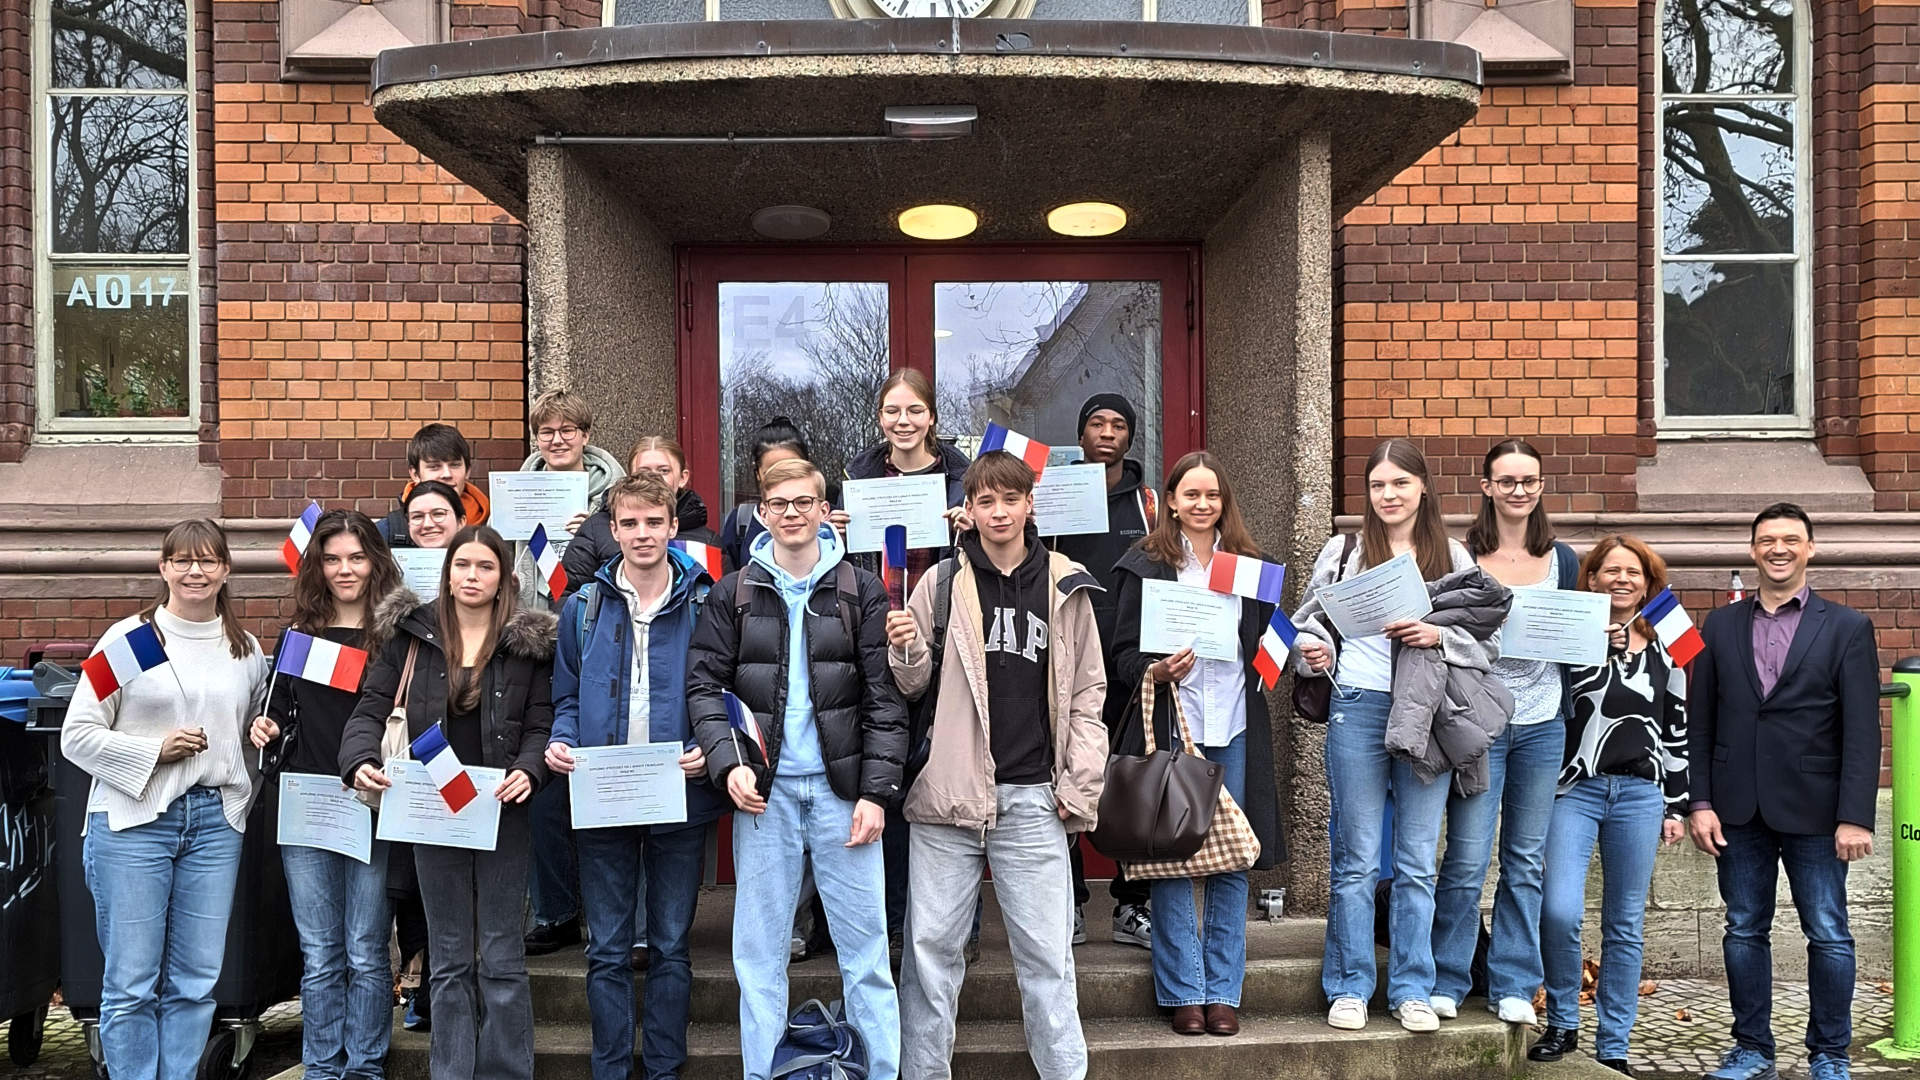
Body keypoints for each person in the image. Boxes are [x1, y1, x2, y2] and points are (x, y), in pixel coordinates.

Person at [887, 450, 1107, 1078]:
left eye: (1011, 499)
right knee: (929, 958)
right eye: (986, 500)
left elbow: (1091, 692)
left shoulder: (1067, 583)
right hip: (948, 798)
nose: (999, 511)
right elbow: (912, 688)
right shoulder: (939, 584)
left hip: (1035, 798)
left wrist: (1080, 782)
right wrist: (904, 652)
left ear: (1030, 504)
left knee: (1048, 960)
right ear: (969, 510)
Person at [687, 457, 906, 1080]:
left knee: (865, 954)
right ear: (762, 511)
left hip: (844, 797)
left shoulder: (858, 589)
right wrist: (728, 762)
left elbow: (885, 700)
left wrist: (877, 794)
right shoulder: (734, 591)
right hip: (765, 796)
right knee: (758, 954)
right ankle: (764, 1073)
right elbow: (704, 687)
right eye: (778, 503)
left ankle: (880, 1071)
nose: (791, 513)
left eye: (803, 502)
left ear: (822, 508)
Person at [1291, 438, 1501, 1034]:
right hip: (1356, 706)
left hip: (1429, 714)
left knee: (1415, 861)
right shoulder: (1344, 550)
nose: (1389, 495)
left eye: (1400, 484)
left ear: (1423, 488)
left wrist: (1440, 639)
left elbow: (1487, 645)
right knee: (1355, 860)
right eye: (1378, 485)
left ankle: (1412, 986)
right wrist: (1314, 651)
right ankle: (1350, 986)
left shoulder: (1454, 554)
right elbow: (1307, 628)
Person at [340, 524, 555, 1080]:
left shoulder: (525, 643)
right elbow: (369, 708)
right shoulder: (409, 634)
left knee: (502, 955)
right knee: (451, 955)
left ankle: (506, 1071)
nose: (472, 577)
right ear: (447, 571)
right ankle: (452, 1071)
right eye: (463, 566)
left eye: (485, 567)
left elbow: (540, 723)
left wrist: (530, 770)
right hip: (431, 811)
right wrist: (358, 757)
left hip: (502, 810)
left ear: (503, 576)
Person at [61, 519, 271, 1080]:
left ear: (226, 570)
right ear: (163, 568)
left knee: (197, 979)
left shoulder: (244, 650)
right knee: (130, 980)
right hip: (133, 823)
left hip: (214, 824)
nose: (195, 571)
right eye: (182, 561)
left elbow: (251, 735)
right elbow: (76, 734)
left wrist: (238, 800)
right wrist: (154, 751)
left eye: (207, 561)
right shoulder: (133, 641)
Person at [1688, 503, 1881, 1080]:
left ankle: (1829, 1053)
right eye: (1767, 540)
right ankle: (1752, 1048)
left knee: (1827, 930)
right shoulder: (1718, 626)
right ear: (1752, 550)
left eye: (1790, 540)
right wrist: (1700, 802)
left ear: (1810, 549)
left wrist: (1856, 817)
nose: (1779, 549)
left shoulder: (1847, 626)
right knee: (1744, 927)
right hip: (1737, 806)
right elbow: (1700, 721)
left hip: (1819, 812)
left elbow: (1862, 730)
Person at [547, 472, 725, 1080]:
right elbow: (565, 699)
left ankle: (665, 1069)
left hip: (681, 788)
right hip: (605, 794)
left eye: (655, 521)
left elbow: (727, 691)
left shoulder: (708, 601)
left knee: (672, 947)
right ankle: (612, 1068)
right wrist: (562, 741)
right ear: (613, 529)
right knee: (607, 951)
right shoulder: (583, 607)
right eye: (630, 523)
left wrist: (712, 742)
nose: (642, 533)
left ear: (674, 527)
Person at [1111, 450, 1285, 1037]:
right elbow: (1121, 655)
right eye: (1191, 495)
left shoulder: (1251, 567)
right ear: (1171, 501)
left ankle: (1224, 991)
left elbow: (1271, 639)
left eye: (1212, 495)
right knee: (1172, 855)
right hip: (1174, 726)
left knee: (1235, 856)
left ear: (1224, 502)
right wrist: (1155, 672)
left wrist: (1282, 654)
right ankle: (1184, 989)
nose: (1202, 505)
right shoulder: (1146, 564)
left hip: (1234, 722)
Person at [249, 511, 415, 1080]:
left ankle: (364, 1067)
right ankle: (321, 1068)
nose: (345, 569)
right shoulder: (299, 635)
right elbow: (277, 710)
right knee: (320, 955)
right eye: (333, 559)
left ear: (376, 561)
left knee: (367, 951)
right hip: (307, 801)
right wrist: (264, 726)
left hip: (371, 801)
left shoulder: (401, 633)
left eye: (356, 557)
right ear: (317, 566)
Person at [1433, 439, 1582, 1025]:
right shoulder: (1460, 556)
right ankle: (1450, 976)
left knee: (1524, 860)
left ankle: (1515, 982)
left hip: (1544, 724)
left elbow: (1577, 634)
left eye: (1529, 481)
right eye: (1507, 480)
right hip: (1480, 724)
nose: (1519, 490)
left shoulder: (1564, 560)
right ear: (1487, 488)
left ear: (1540, 488)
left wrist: (1601, 639)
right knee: (1467, 858)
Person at [1529, 534, 1688, 1076]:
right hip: (1574, 789)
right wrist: (1595, 644)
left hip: (1641, 794)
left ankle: (1614, 1042)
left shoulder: (1671, 632)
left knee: (1625, 923)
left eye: (1633, 572)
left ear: (1648, 581)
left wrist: (1678, 803)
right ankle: (1563, 1021)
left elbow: (1679, 721)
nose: (1621, 580)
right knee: (1559, 909)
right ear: (1591, 578)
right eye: (1609, 571)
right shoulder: (1574, 629)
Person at [835, 371, 973, 947]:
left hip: (944, 635)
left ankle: (958, 927)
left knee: (947, 777)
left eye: (914, 410)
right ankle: (892, 923)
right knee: (886, 779)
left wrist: (967, 534)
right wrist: (834, 532)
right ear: (879, 417)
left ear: (932, 418)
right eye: (892, 411)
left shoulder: (963, 480)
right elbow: (840, 562)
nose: (903, 421)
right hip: (879, 631)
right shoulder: (858, 477)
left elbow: (1006, 541)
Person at [517, 389, 625, 957]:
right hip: (536, 645)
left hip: (599, 646)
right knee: (544, 781)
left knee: (603, 778)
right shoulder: (517, 490)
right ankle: (555, 909)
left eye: (567, 430)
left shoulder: (616, 496)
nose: (556, 440)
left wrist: (594, 533)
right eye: (546, 431)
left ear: (586, 435)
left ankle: (606, 914)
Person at [1050, 392, 1157, 949]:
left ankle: (1131, 904)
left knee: (1129, 783)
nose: (1107, 432)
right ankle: (1068, 902)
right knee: (1063, 777)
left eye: (1118, 424)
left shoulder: (1149, 503)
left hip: (1130, 660)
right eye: (1097, 423)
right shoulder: (1056, 493)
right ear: (1082, 433)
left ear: (1129, 437)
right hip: (1066, 656)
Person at [563, 434, 720, 596]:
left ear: (682, 478)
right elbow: (565, 595)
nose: (654, 478)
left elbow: (717, 605)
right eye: (644, 471)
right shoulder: (595, 530)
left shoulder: (707, 541)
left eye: (664, 471)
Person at [716, 417, 812, 572]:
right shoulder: (742, 521)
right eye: (772, 472)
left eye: (792, 468)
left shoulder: (827, 520)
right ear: (758, 474)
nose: (783, 478)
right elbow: (728, 587)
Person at [378, 423, 491, 546]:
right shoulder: (386, 532)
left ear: (467, 471)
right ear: (415, 474)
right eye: (434, 467)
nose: (447, 474)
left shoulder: (499, 529)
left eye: (454, 465)